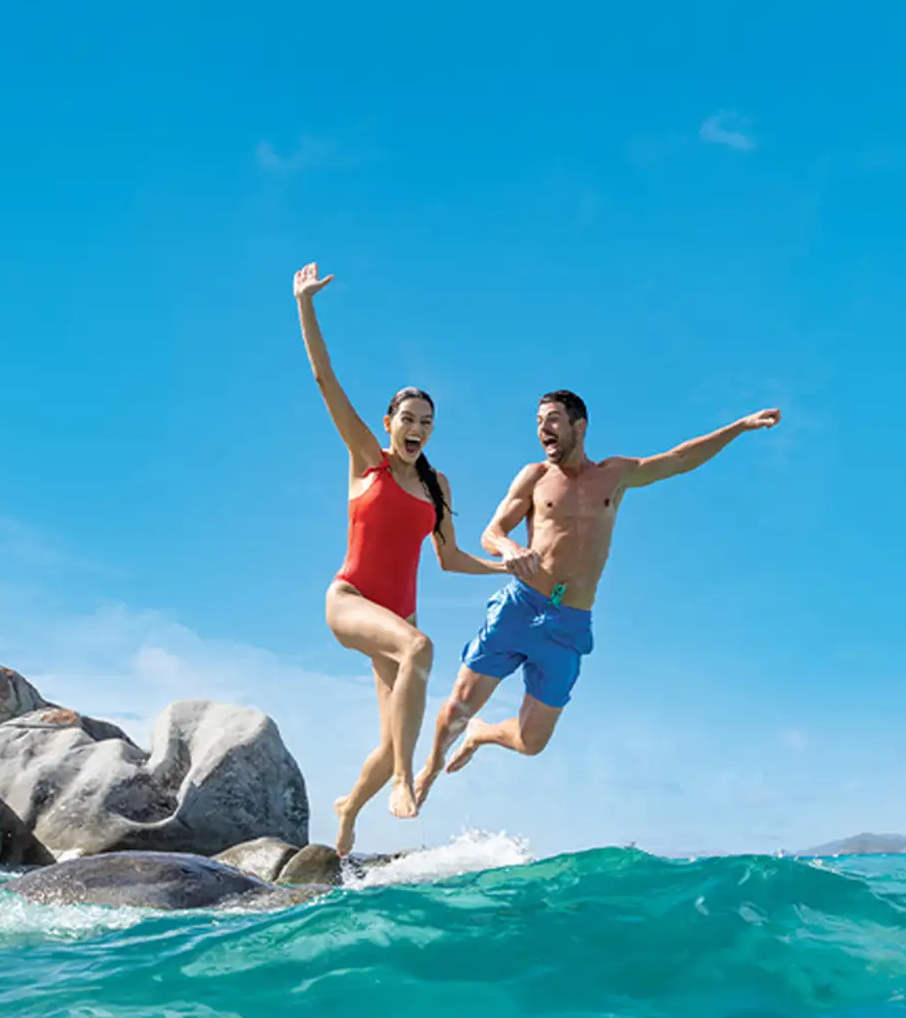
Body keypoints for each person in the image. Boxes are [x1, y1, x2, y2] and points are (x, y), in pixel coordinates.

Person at [411, 389, 781, 805]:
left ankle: (483, 733)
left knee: (532, 742)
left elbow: (679, 460)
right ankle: (426, 771)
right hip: (522, 606)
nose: (542, 429)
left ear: (579, 426)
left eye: (551, 419)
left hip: (569, 623)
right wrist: (511, 549)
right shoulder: (534, 477)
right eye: (537, 422)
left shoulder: (615, 474)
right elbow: (491, 532)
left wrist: (740, 426)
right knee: (460, 703)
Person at [292, 262, 508, 855]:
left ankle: (346, 810)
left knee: (393, 735)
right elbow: (324, 378)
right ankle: (405, 781)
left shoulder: (438, 484)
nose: (416, 429)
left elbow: (450, 559)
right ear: (389, 424)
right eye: (407, 420)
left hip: (399, 618)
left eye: (426, 423)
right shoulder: (369, 458)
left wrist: (505, 567)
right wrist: (305, 305)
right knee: (420, 649)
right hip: (351, 602)